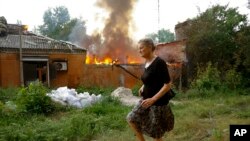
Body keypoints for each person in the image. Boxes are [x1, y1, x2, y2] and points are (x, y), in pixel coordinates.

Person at [127, 38, 174, 141]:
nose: (139, 51)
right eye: (138, 48)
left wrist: (153, 99)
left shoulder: (159, 62)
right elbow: (152, 78)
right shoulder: (147, 62)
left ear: (149, 47)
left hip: (158, 104)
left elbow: (168, 84)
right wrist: (143, 86)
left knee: (156, 135)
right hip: (145, 100)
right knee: (131, 118)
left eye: (141, 48)